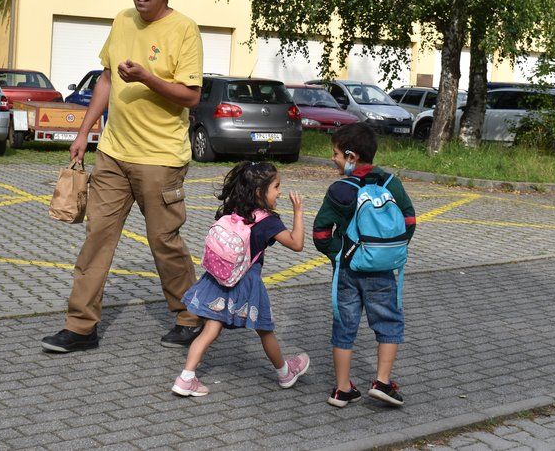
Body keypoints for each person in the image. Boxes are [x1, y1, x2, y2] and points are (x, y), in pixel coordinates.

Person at [41, 0, 204, 353]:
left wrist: (148, 78)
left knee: (163, 239)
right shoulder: (122, 20)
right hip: (113, 152)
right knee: (97, 236)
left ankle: (191, 315)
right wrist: (84, 132)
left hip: (161, 157)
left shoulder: (185, 30)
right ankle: (81, 326)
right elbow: (107, 78)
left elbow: (192, 95)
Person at [171, 161, 308, 397]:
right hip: (247, 282)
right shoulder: (268, 221)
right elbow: (297, 243)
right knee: (265, 330)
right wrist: (298, 212)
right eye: (276, 187)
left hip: (220, 277)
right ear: (259, 192)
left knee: (210, 330)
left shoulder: (233, 211)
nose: (280, 192)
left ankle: (186, 378)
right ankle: (285, 372)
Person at [313, 123, 416, 408]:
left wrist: (340, 253)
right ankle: (382, 382)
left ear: (351, 156)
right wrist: (388, 251)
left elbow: (321, 233)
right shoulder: (390, 182)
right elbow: (409, 221)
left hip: (347, 271)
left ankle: (342, 389)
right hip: (382, 270)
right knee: (389, 323)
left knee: (344, 327)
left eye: (335, 154)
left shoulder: (339, 189)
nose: (332, 159)